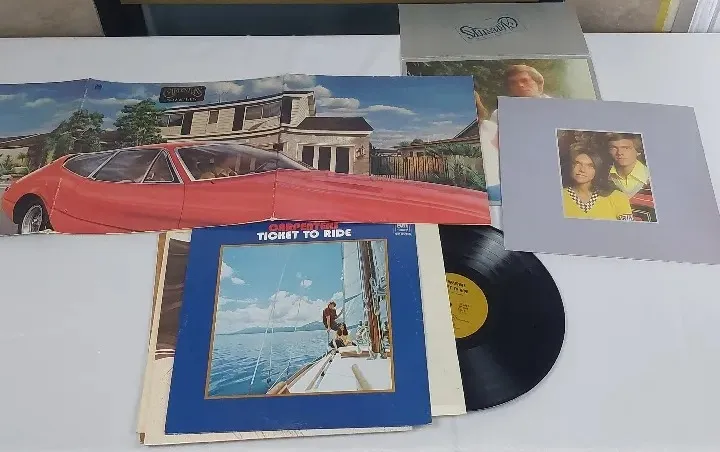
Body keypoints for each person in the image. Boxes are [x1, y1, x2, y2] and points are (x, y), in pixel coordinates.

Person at [561, 149, 633, 221]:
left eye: (590, 166)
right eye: (577, 163)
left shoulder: (617, 197)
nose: (582, 170)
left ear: (598, 169)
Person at [606, 133, 656, 222]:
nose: (619, 153)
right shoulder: (602, 179)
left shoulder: (654, 179)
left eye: (626, 148)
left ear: (638, 151)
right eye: (614, 148)